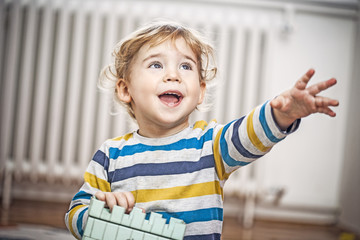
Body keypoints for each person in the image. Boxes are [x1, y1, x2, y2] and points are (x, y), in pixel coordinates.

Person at [65, 21, 339, 240]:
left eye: (185, 66)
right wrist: (101, 212)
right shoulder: (111, 154)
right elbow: (75, 214)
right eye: (156, 65)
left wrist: (282, 113)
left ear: (200, 92)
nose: (173, 75)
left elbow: (248, 135)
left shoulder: (210, 145)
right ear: (125, 90)